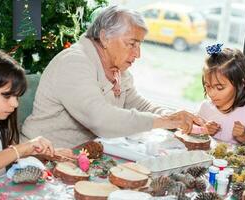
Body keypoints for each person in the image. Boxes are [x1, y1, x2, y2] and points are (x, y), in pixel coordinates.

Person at [22, 5, 203, 148]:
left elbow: (137, 104)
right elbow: (100, 119)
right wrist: (164, 121)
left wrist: (170, 115)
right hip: (41, 156)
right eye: (131, 44)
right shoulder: (74, 63)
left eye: (139, 45)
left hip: (81, 154)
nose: (137, 54)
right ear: (105, 37)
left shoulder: (116, 69)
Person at [0, 50, 75, 199]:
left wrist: (45, 152)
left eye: (17, 96)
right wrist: (24, 148)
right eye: (7, 95)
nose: (15, 104)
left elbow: (9, 155)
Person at [195, 44, 245, 147]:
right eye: (207, 86)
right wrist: (204, 130)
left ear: (240, 84)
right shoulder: (205, 107)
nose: (211, 93)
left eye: (220, 88)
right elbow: (192, 135)